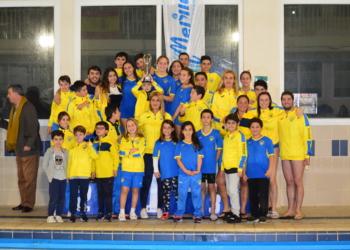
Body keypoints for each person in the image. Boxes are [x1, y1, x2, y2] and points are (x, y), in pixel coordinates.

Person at [0, 84, 42, 213]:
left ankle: (28, 204)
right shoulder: (16, 108)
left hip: (29, 149)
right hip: (19, 149)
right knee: (22, 178)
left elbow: (34, 128)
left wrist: (28, 144)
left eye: (9, 93)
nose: (7, 96)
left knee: (29, 179)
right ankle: (23, 202)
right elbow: (13, 127)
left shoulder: (28, 107)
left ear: (16, 94)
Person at [279, 91, 312, 220]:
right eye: (284, 99)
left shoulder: (300, 115)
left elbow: (307, 134)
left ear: (293, 101)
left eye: (288, 99)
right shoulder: (280, 115)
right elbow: (268, 107)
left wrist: (307, 154)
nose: (286, 101)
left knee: (298, 182)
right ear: (281, 101)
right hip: (285, 154)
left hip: (298, 154)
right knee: (289, 182)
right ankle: (290, 209)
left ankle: (298, 210)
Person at [138, 92, 172, 219]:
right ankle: (142, 208)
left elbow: (170, 134)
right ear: (150, 102)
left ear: (161, 102)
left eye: (158, 100)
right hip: (147, 153)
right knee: (146, 180)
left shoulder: (166, 116)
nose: (155, 102)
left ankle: (159, 208)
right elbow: (138, 133)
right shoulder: (143, 116)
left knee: (161, 181)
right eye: (153, 100)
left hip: (162, 154)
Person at [243, 118, 274, 223]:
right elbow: (245, 158)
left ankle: (263, 214)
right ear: (249, 128)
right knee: (253, 195)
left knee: (263, 195)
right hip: (251, 173)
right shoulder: (247, 142)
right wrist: (244, 172)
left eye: (257, 127)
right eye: (252, 127)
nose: (255, 129)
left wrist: (270, 170)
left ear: (261, 128)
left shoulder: (267, 140)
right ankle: (254, 214)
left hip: (263, 173)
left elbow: (272, 157)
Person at [230, 95, 255, 219]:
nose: (243, 105)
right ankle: (233, 208)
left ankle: (243, 209)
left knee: (244, 181)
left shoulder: (251, 117)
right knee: (230, 183)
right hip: (231, 156)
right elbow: (225, 131)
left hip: (245, 154)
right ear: (237, 103)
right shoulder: (232, 116)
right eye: (241, 102)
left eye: (245, 102)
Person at [173, 121, 204, 223]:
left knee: (196, 193)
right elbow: (178, 160)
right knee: (182, 194)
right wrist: (186, 171)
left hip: (196, 174)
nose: (187, 132)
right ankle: (179, 213)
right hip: (183, 174)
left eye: (190, 129)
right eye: (185, 130)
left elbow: (199, 158)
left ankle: (198, 214)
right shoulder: (179, 145)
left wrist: (198, 170)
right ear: (182, 131)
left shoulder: (197, 144)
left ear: (193, 131)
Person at [66, 125, 98, 222]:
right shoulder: (71, 147)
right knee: (73, 195)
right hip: (73, 175)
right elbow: (68, 162)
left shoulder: (88, 146)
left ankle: (83, 213)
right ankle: (73, 213)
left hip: (84, 175)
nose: (78, 137)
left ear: (84, 135)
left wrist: (90, 147)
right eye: (76, 135)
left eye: (80, 135)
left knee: (83, 195)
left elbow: (95, 157)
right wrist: (68, 176)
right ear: (74, 136)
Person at [197, 109, 222, 221]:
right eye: (204, 117)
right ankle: (201, 210)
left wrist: (214, 162)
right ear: (201, 119)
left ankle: (212, 211)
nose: (206, 119)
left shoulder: (216, 133)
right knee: (202, 188)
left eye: (208, 117)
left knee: (212, 187)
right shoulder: (197, 134)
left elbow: (219, 150)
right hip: (200, 167)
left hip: (211, 166)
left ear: (212, 119)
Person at [221, 113, 247, 224]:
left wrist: (240, 168)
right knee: (229, 191)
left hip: (235, 168)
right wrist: (222, 168)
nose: (231, 125)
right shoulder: (226, 136)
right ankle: (233, 211)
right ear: (226, 124)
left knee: (233, 191)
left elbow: (243, 153)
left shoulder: (240, 135)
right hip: (226, 167)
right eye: (229, 123)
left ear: (237, 124)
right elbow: (224, 153)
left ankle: (236, 214)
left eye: (233, 123)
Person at [118, 118, 146, 221]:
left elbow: (141, 153)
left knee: (135, 191)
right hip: (126, 168)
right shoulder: (123, 139)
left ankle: (132, 212)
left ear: (136, 126)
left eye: (132, 125)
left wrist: (128, 152)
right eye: (128, 126)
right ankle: (122, 212)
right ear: (126, 128)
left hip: (138, 169)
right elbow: (121, 152)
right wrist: (132, 151)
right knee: (124, 190)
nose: (131, 127)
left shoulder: (142, 138)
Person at [92, 121, 119, 222]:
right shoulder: (94, 143)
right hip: (99, 174)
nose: (98, 130)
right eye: (97, 128)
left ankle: (108, 212)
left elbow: (115, 157)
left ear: (106, 131)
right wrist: (93, 170)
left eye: (101, 128)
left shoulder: (109, 143)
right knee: (100, 194)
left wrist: (115, 169)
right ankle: (100, 213)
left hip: (108, 173)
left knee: (108, 194)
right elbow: (93, 159)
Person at [153, 120, 179, 220]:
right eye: (165, 127)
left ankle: (179, 211)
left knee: (177, 193)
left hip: (176, 172)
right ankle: (166, 212)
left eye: (169, 127)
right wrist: (156, 170)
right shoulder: (159, 142)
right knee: (166, 193)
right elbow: (155, 157)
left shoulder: (177, 142)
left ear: (172, 129)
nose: (167, 130)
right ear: (162, 129)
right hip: (165, 172)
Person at [42, 130, 68, 223]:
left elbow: (67, 165)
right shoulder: (50, 151)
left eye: (60, 139)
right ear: (52, 140)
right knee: (53, 198)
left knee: (61, 198)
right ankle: (50, 215)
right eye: (56, 139)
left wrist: (67, 177)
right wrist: (50, 176)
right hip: (54, 178)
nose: (58, 141)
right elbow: (44, 165)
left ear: (63, 140)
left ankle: (58, 215)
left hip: (63, 178)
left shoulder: (65, 151)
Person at [105, 104, 122, 218]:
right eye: (118, 111)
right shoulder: (106, 126)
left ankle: (116, 210)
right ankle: (110, 210)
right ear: (113, 114)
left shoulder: (117, 125)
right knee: (112, 186)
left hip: (118, 160)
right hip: (110, 161)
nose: (120, 113)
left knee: (118, 186)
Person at [211, 69, 241, 136]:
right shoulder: (217, 94)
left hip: (235, 129)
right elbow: (213, 112)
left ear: (234, 80)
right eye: (226, 78)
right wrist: (222, 119)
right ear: (223, 80)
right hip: (220, 128)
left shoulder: (240, 94)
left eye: (231, 78)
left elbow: (242, 111)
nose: (228, 80)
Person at [171, 67, 195, 137]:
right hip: (174, 115)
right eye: (180, 74)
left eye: (184, 75)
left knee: (179, 138)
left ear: (189, 77)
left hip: (178, 118)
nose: (181, 77)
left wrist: (173, 117)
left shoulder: (187, 89)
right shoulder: (182, 86)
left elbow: (181, 105)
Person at [119, 61, 139, 129]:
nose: (127, 70)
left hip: (137, 111)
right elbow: (108, 81)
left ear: (133, 68)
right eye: (125, 68)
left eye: (129, 67)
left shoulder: (140, 80)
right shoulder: (121, 80)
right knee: (126, 133)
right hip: (124, 111)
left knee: (137, 134)